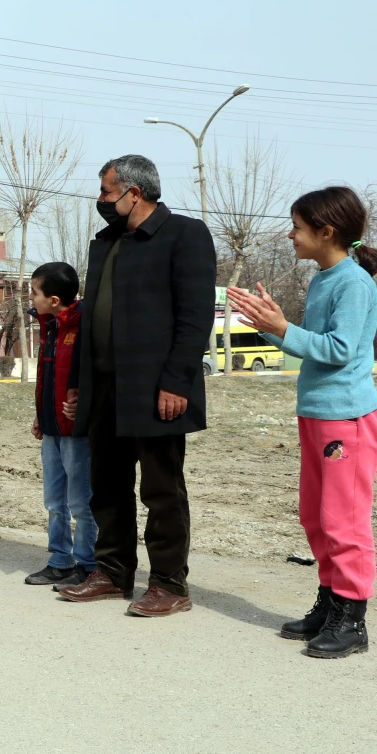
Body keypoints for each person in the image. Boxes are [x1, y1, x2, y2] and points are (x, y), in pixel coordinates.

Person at [60, 154, 215, 617]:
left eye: (107, 192)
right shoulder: (105, 243)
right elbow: (90, 320)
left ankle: (169, 584)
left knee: (161, 492)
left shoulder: (184, 235)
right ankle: (112, 572)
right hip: (105, 387)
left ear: (135, 192)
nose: (101, 201)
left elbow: (194, 318)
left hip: (156, 390)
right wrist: (76, 384)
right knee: (106, 485)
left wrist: (176, 382)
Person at [229, 186, 377, 659]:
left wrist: (280, 328)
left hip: (345, 418)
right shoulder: (323, 279)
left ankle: (352, 619)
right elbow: (313, 342)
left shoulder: (354, 283)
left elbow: (341, 349)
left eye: (296, 226)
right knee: (316, 515)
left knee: (344, 519)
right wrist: (278, 326)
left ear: (326, 231)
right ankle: (330, 603)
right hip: (316, 414)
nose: (289, 235)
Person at [25, 262, 96, 587]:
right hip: (52, 430)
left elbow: (92, 377)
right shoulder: (49, 325)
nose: (31, 298)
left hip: (76, 434)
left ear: (54, 299)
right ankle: (60, 560)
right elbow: (47, 378)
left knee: (80, 503)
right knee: (54, 501)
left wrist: (84, 401)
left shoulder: (84, 325)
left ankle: (88, 564)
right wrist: (42, 416)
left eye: (35, 292)